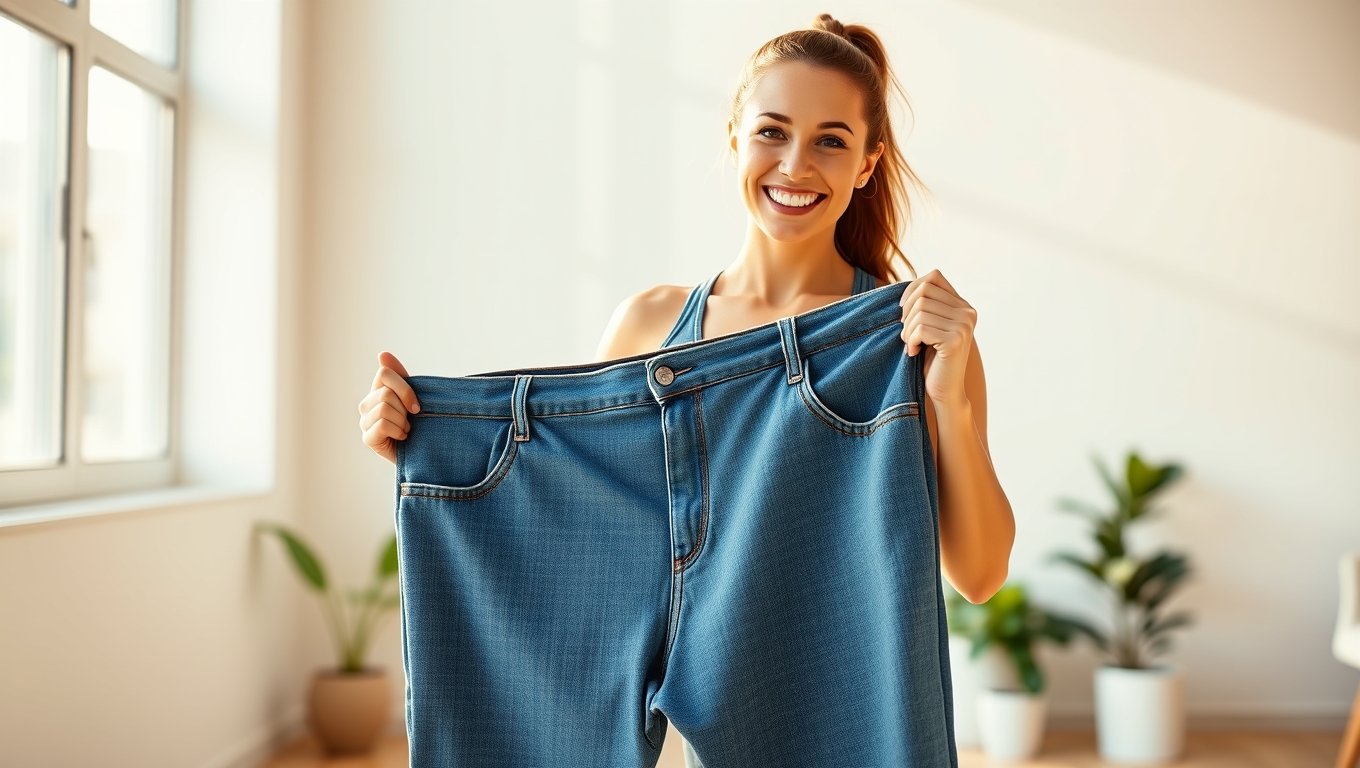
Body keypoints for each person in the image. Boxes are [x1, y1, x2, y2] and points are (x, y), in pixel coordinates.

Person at [359, 12, 1014, 763]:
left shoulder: (911, 338)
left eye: (831, 140)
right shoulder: (648, 324)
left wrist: (947, 400)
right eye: (773, 130)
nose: (796, 164)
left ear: (868, 162)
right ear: (734, 134)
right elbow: (580, 525)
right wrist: (420, 441)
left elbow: (982, 573)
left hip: (825, 654)